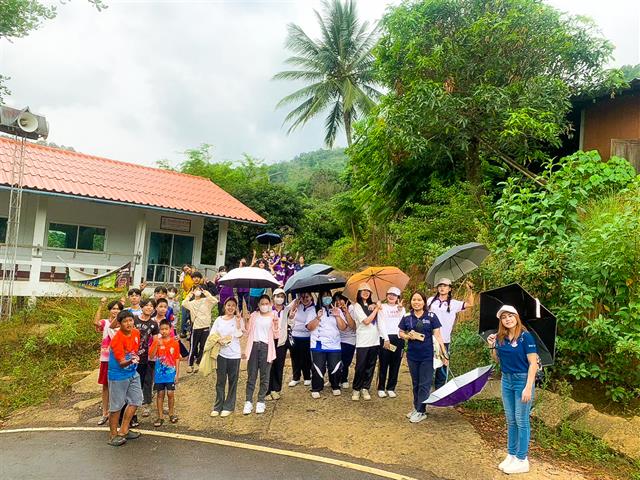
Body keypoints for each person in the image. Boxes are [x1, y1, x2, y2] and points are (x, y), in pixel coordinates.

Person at [487, 305, 537, 475]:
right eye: (504, 317)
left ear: (516, 317)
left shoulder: (526, 337)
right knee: (510, 420)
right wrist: (492, 346)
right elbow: (498, 360)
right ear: (501, 321)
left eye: (510, 316)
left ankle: (522, 459)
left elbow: (533, 364)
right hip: (506, 379)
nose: (507, 319)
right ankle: (511, 454)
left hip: (522, 380)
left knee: (521, 420)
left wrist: (528, 387)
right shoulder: (501, 337)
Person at [398, 291, 448, 423]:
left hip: (427, 355)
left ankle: (421, 411)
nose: (416, 302)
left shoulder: (431, 316)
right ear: (411, 302)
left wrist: (444, 354)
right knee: (415, 383)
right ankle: (417, 407)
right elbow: (401, 332)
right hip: (412, 356)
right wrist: (407, 336)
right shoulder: (407, 317)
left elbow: (438, 336)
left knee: (424, 384)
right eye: (414, 299)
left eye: (419, 300)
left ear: (424, 302)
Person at [427, 278, 474, 389]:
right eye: (440, 285)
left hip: (445, 339)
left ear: (450, 289)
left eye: (445, 286)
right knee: (429, 364)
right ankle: (426, 389)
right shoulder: (430, 301)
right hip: (430, 338)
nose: (442, 288)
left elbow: (470, 304)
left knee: (443, 365)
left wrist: (470, 290)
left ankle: (440, 389)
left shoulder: (453, 303)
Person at [107, 310, 143, 446]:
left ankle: (124, 430)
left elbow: (134, 350)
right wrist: (132, 361)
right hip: (118, 375)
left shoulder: (136, 333)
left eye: (130, 320)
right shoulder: (117, 339)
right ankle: (113, 435)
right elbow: (122, 362)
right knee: (116, 406)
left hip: (133, 373)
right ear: (120, 324)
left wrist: (133, 360)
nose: (128, 323)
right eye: (125, 321)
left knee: (136, 400)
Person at [242, 295, 280, 415]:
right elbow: (247, 332)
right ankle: (248, 401)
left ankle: (261, 401)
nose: (264, 306)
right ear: (258, 305)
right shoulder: (253, 315)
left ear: (270, 304)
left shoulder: (273, 316)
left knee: (265, 376)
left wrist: (275, 324)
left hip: (266, 348)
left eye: (266, 303)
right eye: (262, 303)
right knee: (251, 376)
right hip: (254, 346)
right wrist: (246, 320)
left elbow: (276, 335)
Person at [306, 290, 347, 398]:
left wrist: (338, 316)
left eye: (328, 295)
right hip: (318, 344)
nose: (327, 298)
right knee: (318, 367)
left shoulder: (336, 310)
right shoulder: (313, 310)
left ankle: (335, 385)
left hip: (334, 344)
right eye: (324, 296)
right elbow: (309, 327)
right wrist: (317, 317)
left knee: (335, 367)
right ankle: (316, 387)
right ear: (320, 297)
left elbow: (343, 328)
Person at [209, 298, 244, 417]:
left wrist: (239, 322)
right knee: (220, 381)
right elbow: (212, 334)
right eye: (228, 305)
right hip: (221, 354)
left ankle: (229, 406)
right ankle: (218, 406)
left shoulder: (238, 319)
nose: (230, 308)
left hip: (234, 355)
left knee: (233, 381)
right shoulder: (219, 320)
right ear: (225, 306)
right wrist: (220, 340)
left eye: (233, 306)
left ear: (236, 308)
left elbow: (239, 335)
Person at [94, 298, 123, 425]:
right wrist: (101, 305)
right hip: (106, 358)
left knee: (118, 386)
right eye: (113, 308)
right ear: (110, 310)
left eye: (118, 308)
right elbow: (95, 323)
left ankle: (116, 412)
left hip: (119, 358)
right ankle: (105, 412)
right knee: (106, 386)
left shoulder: (123, 324)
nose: (115, 311)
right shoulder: (105, 323)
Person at [350, 283, 381, 401]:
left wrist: (376, 306)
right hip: (363, 340)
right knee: (360, 366)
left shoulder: (372, 305)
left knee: (371, 365)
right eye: (363, 290)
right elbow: (367, 321)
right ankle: (356, 388)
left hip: (374, 340)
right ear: (359, 293)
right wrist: (377, 309)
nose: (366, 292)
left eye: (368, 291)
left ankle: (365, 387)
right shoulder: (357, 306)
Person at [376, 287, 406, 398]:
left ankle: (391, 387)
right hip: (386, 338)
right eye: (389, 294)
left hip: (398, 338)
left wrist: (400, 310)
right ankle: (381, 387)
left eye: (394, 295)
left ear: (398, 297)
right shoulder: (382, 307)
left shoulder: (401, 309)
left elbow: (403, 324)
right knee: (384, 363)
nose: (391, 296)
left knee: (396, 364)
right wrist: (386, 338)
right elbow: (381, 323)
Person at [149, 319, 180, 427]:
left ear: (170, 329)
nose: (164, 331)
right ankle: (160, 416)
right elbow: (151, 356)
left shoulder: (174, 342)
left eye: (166, 329)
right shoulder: (157, 341)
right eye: (162, 329)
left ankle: (171, 414)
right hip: (159, 373)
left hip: (171, 373)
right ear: (159, 330)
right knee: (160, 394)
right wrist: (156, 344)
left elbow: (176, 358)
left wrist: (177, 373)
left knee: (170, 393)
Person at [182, 284, 218, 373]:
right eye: (195, 289)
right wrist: (189, 295)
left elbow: (215, 301)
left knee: (203, 346)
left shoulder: (207, 301)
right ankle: (190, 364)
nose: (197, 291)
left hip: (205, 326)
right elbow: (184, 303)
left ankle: (198, 363)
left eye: (199, 289)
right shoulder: (191, 303)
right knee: (193, 346)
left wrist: (207, 294)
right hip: (196, 327)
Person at [134, 298, 159, 418]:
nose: (149, 308)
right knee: (134, 381)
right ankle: (132, 404)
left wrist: (152, 355)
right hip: (132, 357)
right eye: (147, 305)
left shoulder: (154, 324)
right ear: (142, 307)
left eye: (151, 306)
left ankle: (146, 405)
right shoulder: (134, 320)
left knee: (147, 381)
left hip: (146, 357)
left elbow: (155, 340)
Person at [266, 288, 290, 401]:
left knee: (279, 365)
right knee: (268, 365)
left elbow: (291, 323)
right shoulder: (268, 309)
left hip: (281, 341)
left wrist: (292, 317)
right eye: (277, 296)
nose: (279, 298)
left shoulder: (287, 310)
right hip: (269, 340)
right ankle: (267, 389)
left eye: (281, 296)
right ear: (273, 297)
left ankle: (276, 389)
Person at [287, 292, 315, 387]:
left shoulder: (313, 308)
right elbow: (287, 311)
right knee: (295, 357)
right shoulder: (297, 304)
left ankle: (307, 376)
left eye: (307, 297)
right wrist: (295, 305)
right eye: (302, 297)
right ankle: (296, 377)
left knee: (306, 358)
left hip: (307, 336)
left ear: (311, 297)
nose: (305, 299)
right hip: (295, 335)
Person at [335, 292, 356, 389]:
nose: (338, 302)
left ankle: (344, 379)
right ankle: (336, 379)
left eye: (340, 299)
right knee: (336, 360)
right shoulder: (334, 310)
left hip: (349, 338)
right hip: (337, 338)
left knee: (345, 361)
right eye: (336, 300)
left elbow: (353, 326)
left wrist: (346, 311)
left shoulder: (351, 308)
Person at [179, 265, 194, 338]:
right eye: (185, 270)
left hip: (195, 299)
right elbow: (184, 288)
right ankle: (183, 331)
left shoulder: (196, 275)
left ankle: (190, 331)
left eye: (187, 268)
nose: (187, 270)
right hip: (187, 298)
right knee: (184, 315)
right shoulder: (185, 277)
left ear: (190, 268)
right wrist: (182, 281)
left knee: (192, 316)